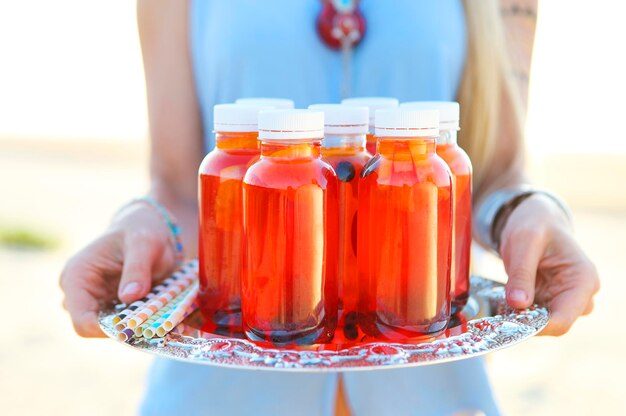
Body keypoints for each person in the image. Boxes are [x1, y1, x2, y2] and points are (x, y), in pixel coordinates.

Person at [60, 0, 599, 415]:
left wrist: (528, 210)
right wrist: (141, 223)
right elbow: (182, 190)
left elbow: (490, 176)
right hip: (219, 394)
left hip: (434, 392)